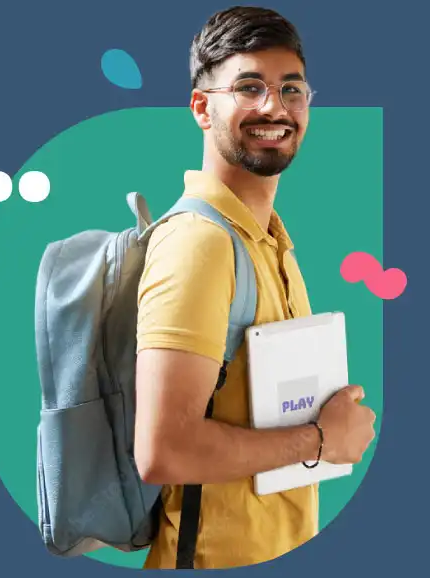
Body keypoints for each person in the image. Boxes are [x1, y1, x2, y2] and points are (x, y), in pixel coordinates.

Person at [134, 5, 376, 570]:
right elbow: (163, 451)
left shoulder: (270, 239)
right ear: (201, 107)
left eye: (292, 89)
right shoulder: (200, 243)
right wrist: (320, 441)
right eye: (249, 87)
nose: (275, 107)